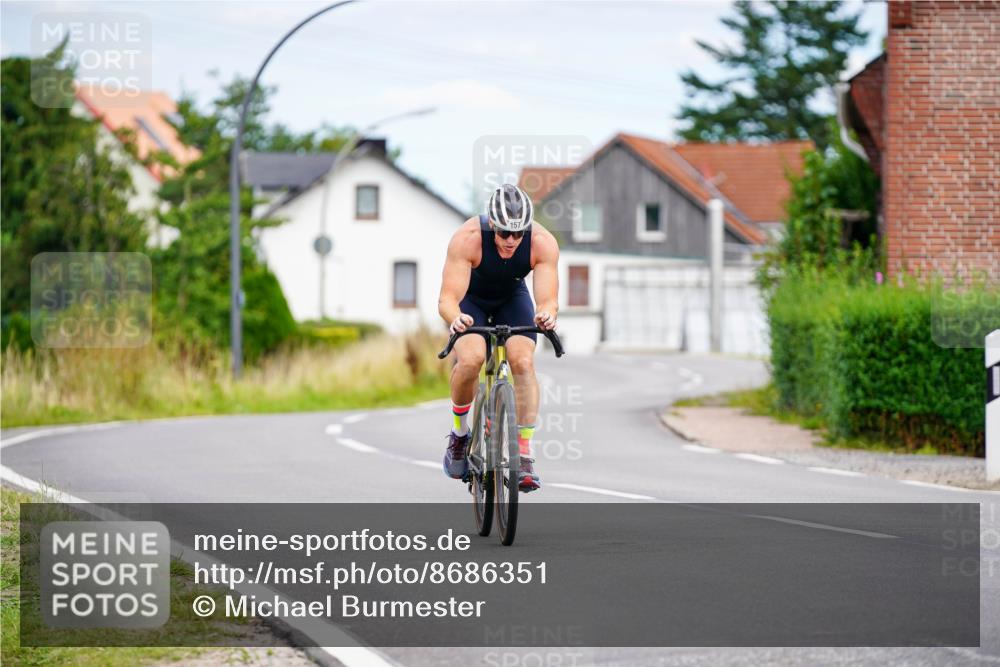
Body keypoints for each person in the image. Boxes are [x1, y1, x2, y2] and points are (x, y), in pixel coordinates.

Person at [437, 184, 560, 492]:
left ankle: (524, 454)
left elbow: (548, 299)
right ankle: (459, 435)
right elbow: (447, 299)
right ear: (492, 223)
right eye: (505, 232)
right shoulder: (468, 239)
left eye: (519, 234)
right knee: (472, 359)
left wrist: (546, 313)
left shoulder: (542, 243)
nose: (511, 241)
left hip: (512, 299)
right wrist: (456, 319)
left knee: (522, 361)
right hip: (471, 302)